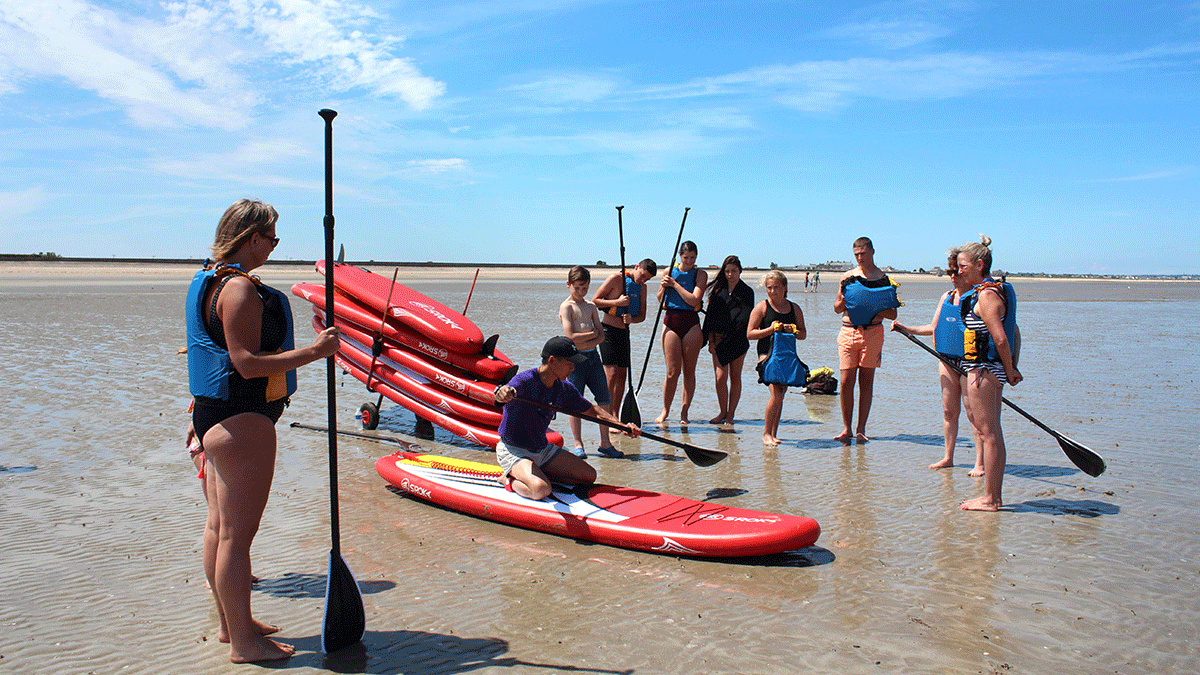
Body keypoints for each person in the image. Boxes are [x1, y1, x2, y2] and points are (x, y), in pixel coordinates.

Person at [186, 198, 340, 663]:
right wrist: (315, 352)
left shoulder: (211, 279)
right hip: (242, 422)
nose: (274, 246)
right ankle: (245, 645)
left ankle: (232, 626)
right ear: (252, 239)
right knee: (236, 537)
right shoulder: (238, 290)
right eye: (271, 238)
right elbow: (247, 364)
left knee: (220, 527)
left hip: (215, 416)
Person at [493, 337, 641, 500]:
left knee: (589, 476)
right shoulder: (524, 381)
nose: (573, 368)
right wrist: (502, 393)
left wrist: (622, 426)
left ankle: (536, 473)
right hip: (514, 450)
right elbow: (502, 394)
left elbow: (593, 411)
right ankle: (509, 480)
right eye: (569, 363)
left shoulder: (564, 388)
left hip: (542, 449)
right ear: (552, 361)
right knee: (541, 490)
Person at [891, 248, 983, 473]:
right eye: (950, 272)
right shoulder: (946, 297)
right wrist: (906, 328)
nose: (953, 276)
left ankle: (980, 462)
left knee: (973, 413)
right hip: (946, 360)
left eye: (957, 272)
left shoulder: (979, 297)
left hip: (970, 363)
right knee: (949, 412)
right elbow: (933, 327)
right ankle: (948, 457)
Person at [956, 236, 1022, 511]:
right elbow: (1014, 332)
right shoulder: (993, 291)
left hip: (984, 372)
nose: (959, 271)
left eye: (963, 266)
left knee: (989, 435)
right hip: (988, 370)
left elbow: (1002, 338)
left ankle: (991, 498)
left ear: (979, 265)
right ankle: (992, 495)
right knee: (991, 433)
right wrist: (1010, 367)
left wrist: (1010, 369)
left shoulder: (986, 296)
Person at [833, 237, 900, 444]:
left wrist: (873, 306)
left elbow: (893, 314)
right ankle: (846, 429)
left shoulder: (884, 279)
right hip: (848, 332)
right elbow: (836, 308)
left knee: (866, 382)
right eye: (856, 255)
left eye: (863, 253)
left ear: (872, 252)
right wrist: (844, 302)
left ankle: (861, 429)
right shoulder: (848, 277)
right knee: (846, 381)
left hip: (873, 333)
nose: (860, 258)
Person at [558, 266, 620, 458]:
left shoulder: (591, 307)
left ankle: (605, 443)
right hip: (574, 360)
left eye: (584, 288)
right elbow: (570, 336)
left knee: (604, 399)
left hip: (593, 358)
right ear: (569, 285)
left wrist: (589, 338)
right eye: (577, 287)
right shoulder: (567, 307)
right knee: (574, 402)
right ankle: (578, 444)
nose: (581, 291)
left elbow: (602, 335)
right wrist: (591, 335)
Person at [746, 270, 806, 446]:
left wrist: (793, 330)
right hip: (767, 354)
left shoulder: (794, 308)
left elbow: (803, 334)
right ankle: (766, 434)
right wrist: (771, 329)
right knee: (776, 393)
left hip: (786, 355)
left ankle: (774, 433)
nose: (773, 291)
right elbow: (750, 334)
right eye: (769, 288)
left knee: (782, 394)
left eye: (776, 287)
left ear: (785, 287)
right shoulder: (762, 307)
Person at [593, 258, 657, 421]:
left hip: (624, 333)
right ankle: (606, 413)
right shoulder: (616, 279)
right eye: (642, 275)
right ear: (637, 267)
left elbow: (641, 316)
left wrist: (632, 320)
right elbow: (595, 301)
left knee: (622, 374)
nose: (643, 280)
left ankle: (615, 414)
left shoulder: (642, 288)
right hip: (608, 331)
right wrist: (617, 302)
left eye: (647, 279)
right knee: (612, 373)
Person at [654, 241, 708, 425]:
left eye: (693, 258)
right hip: (671, 320)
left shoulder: (700, 274)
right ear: (680, 256)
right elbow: (660, 298)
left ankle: (684, 412)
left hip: (691, 322)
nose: (689, 261)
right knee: (672, 372)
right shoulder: (669, 271)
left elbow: (694, 300)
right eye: (686, 258)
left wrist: (675, 285)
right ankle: (665, 410)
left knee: (689, 372)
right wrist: (664, 286)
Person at [702, 255, 755, 426]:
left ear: (740, 271)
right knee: (720, 377)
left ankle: (731, 414)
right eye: (727, 271)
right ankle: (722, 412)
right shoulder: (718, 291)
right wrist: (710, 341)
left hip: (738, 340)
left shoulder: (747, 292)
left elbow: (746, 318)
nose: (730, 274)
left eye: (734, 271)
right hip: (719, 339)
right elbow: (710, 318)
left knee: (735, 377)